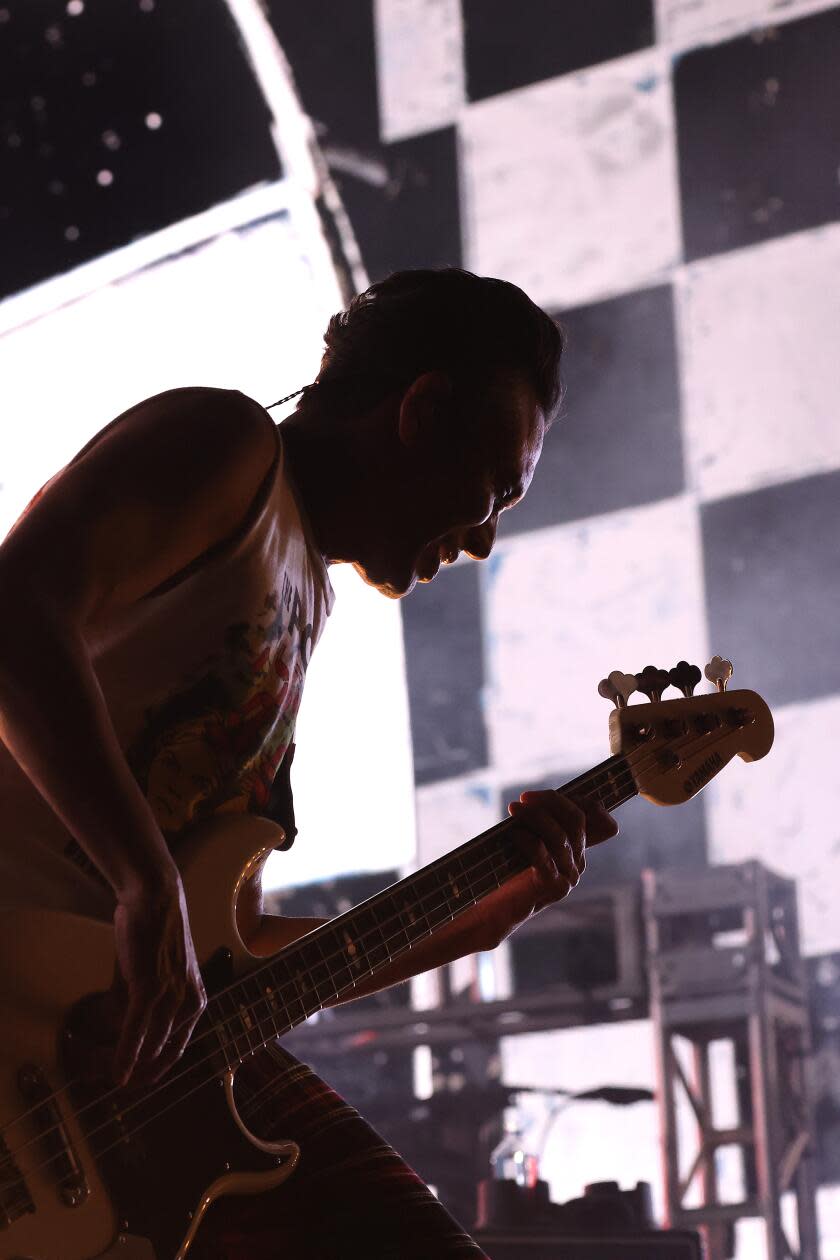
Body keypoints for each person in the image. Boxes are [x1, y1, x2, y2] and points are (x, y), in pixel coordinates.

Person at [0, 267, 618, 1258]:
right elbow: (17, 609)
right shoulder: (228, 448)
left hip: (96, 1070)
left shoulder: (307, 598)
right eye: (496, 488)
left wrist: (479, 915)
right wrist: (144, 880)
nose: (487, 536)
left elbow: (228, 949)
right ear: (421, 409)